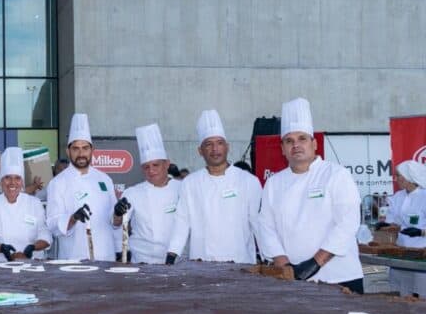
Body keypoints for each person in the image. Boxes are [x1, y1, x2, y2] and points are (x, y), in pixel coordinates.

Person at [257, 98, 364, 293]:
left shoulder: (336, 174)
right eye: (289, 141)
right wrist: (283, 264)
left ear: (314, 143)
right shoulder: (274, 183)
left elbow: (348, 223)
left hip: (339, 277)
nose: (295, 145)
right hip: (292, 280)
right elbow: (266, 227)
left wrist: (315, 263)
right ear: (282, 149)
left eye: (302, 139)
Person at [167, 110, 262, 265]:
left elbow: (259, 223)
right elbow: (182, 221)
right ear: (200, 151)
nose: (215, 149)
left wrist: (270, 258)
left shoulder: (248, 181)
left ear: (227, 147)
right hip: (201, 265)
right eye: (208, 144)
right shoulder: (190, 183)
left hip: (241, 265)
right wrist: (172, 253)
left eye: (219, 143)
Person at [47, 113, 118, 261]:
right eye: (76, 148)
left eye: (85, 148)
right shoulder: (58, 183)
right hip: (73, 259)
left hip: (106, 256)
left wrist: (118, 213)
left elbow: (114, 222)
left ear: (92, 150)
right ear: (68, 151)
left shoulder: (105, 179)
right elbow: (53, 225)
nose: (81, 154)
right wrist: (73, 218)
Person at [114, 123, 180, 264]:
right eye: (146, 167)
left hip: (175, 261)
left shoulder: (182, 189)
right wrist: (117, 214)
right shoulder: (132, 192)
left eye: (155, 165)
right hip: (141, 260)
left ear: (167, 164)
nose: (151, 170)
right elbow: (116, 224)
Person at [0, 147, 52, 261]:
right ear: (1, 181)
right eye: (7, 177)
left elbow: (45, 235)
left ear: (22, 182)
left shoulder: (35, 204)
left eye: (17, 178)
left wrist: (33, 247)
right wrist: (1, 248)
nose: (12, 183)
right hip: (1, 267)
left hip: (33, 265)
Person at [378, 160, 426, 296]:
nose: (396, 179)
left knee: (421, 298)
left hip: (421, 257)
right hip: (400, 255)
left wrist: (421, 232)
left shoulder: (424, 196)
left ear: (409, 177)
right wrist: (385, 226)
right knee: (400, 296)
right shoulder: (398, 197)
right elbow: (394, 224)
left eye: (399, 175)